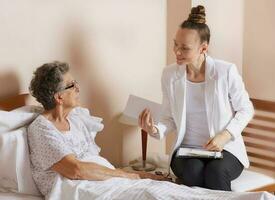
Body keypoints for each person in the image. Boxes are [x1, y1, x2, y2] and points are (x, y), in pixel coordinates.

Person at [138, 5, 254, 191]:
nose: (177, 51)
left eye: (184, 48)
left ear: (203, 48)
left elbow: (246, 109)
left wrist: (224, 136)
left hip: (225, 150)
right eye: (175, 44)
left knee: (216, 172)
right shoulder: (169, 75)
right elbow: (168, 118)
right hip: (187, 151)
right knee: (193, 171)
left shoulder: (225, 71)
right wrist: (153, 129)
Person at [27, 62, 148, 197]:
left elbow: (94, 161)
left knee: (158, 190)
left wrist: (140, 176)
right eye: (72, 85)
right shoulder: (41, 129)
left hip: (105, 182)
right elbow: (76, 170)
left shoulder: (75, 120)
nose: (78, 88)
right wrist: (124, 175)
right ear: (59, 97)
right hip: (80, 188)